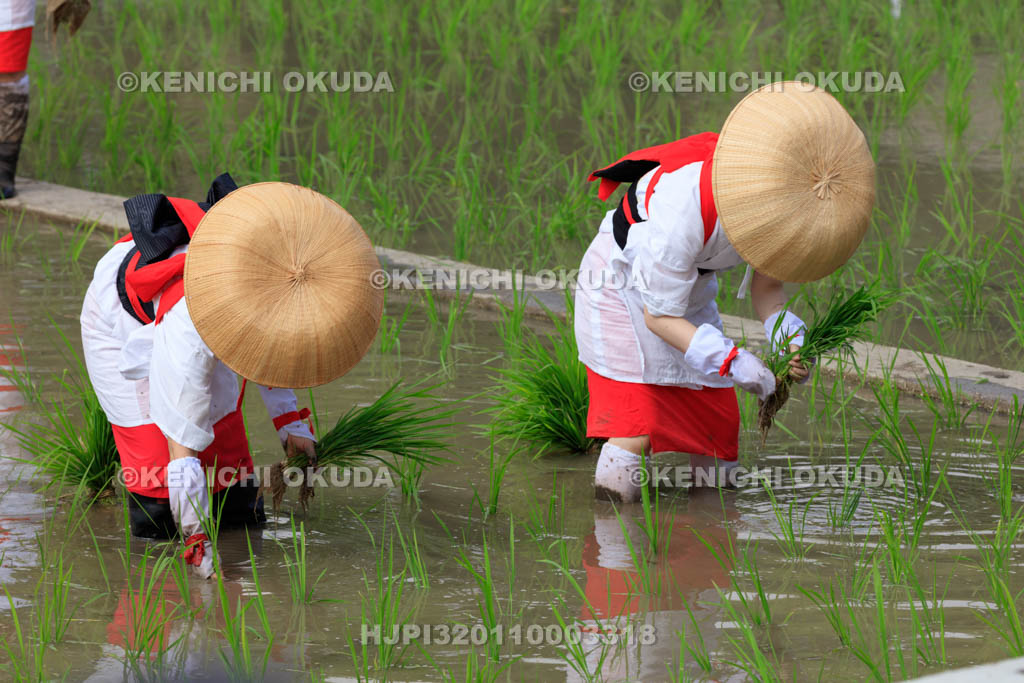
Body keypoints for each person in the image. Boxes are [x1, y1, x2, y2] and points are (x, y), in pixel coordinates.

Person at [575, 82, 875, 503]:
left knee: (715, 431)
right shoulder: (682, 207)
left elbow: (768, 285)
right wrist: (731, 360)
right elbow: (658, 317)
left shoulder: (780, 202)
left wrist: (784, 335)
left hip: (688, 294)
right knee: (636, 423)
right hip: (623, 287)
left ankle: (708, 546)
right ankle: (613, 541)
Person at [81, 174, 384, 578]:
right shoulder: (184, 334)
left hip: (214, 289)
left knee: (236, 491)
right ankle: (164, 591)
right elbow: (182, 452)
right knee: (158, 483)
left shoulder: (274, 269)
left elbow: (271, 343)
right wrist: (197, 545)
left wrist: (290, 423)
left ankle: (236, 567)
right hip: (122, 320)